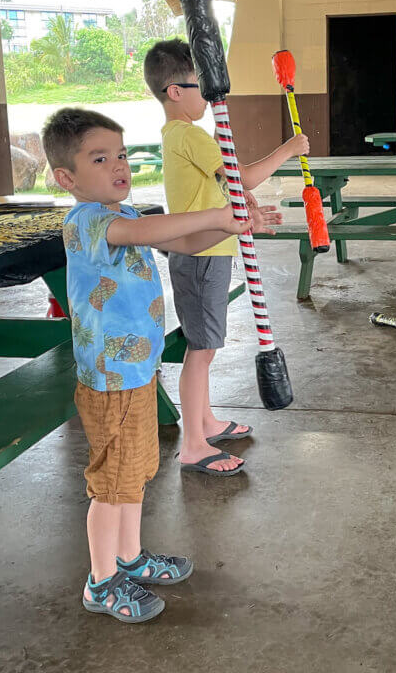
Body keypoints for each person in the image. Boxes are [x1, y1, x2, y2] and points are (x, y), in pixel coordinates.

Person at [41, 108, 280, 622]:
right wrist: (217, 214)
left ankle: (129, 557)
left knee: (136, 473)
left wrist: (237, 226)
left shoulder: (125, 220)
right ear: (67, 178)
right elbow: (149, 230)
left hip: (137, 374)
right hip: (110, 381)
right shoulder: (88, 222)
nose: (118, 166)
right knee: (112, 485)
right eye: (99, 158)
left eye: (122, 155)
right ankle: (101, 582)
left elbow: (185, 241)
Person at [143, 39, 309, 476]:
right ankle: (194, 444)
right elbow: (244, 175)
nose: (207, 94)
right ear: (174, 91)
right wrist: (288, 149)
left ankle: (207, 421)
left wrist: (248, 208)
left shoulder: (186, 135)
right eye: (199, 85)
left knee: (207, 348)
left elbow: (230, 186)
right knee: (201, 351)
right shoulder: (186, 135)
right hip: (200, 257)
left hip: (210, 252)